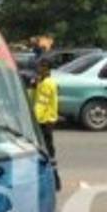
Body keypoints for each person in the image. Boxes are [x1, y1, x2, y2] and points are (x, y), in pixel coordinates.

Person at [32, 59, 61, 190]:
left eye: (41, 67)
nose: (38, 69)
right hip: (45, 120)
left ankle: (54, 181)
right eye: (38, 67)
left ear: (47, 69)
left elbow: (41, 105)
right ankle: (55, 181)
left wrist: (32, 121)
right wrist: (35, 86)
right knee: (48, 151)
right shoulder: (43, 82)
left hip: (44, 121)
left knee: (46, 152)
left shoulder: (47, 84)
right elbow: (36, 99)